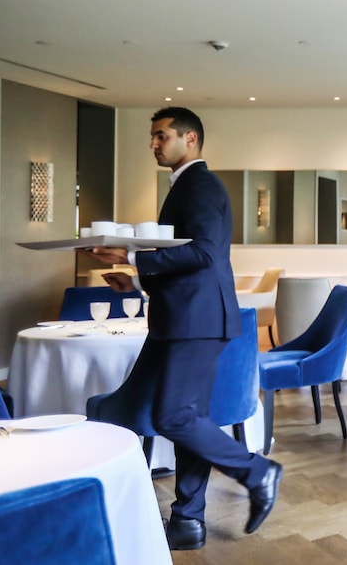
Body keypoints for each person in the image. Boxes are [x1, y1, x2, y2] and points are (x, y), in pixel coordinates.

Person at [81, 107, 282, 551]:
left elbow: (206, 253)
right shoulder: (184, 186)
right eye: (152, 137)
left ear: (190, 139)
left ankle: (258, 472)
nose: (154, 144)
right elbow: (188, 263)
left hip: (197, 321)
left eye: (162, 136)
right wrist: (136, 282)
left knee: (175, 417)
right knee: (188, 418)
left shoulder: (200, 185)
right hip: (181, 319)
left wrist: (129, 257)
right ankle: (188, 520)